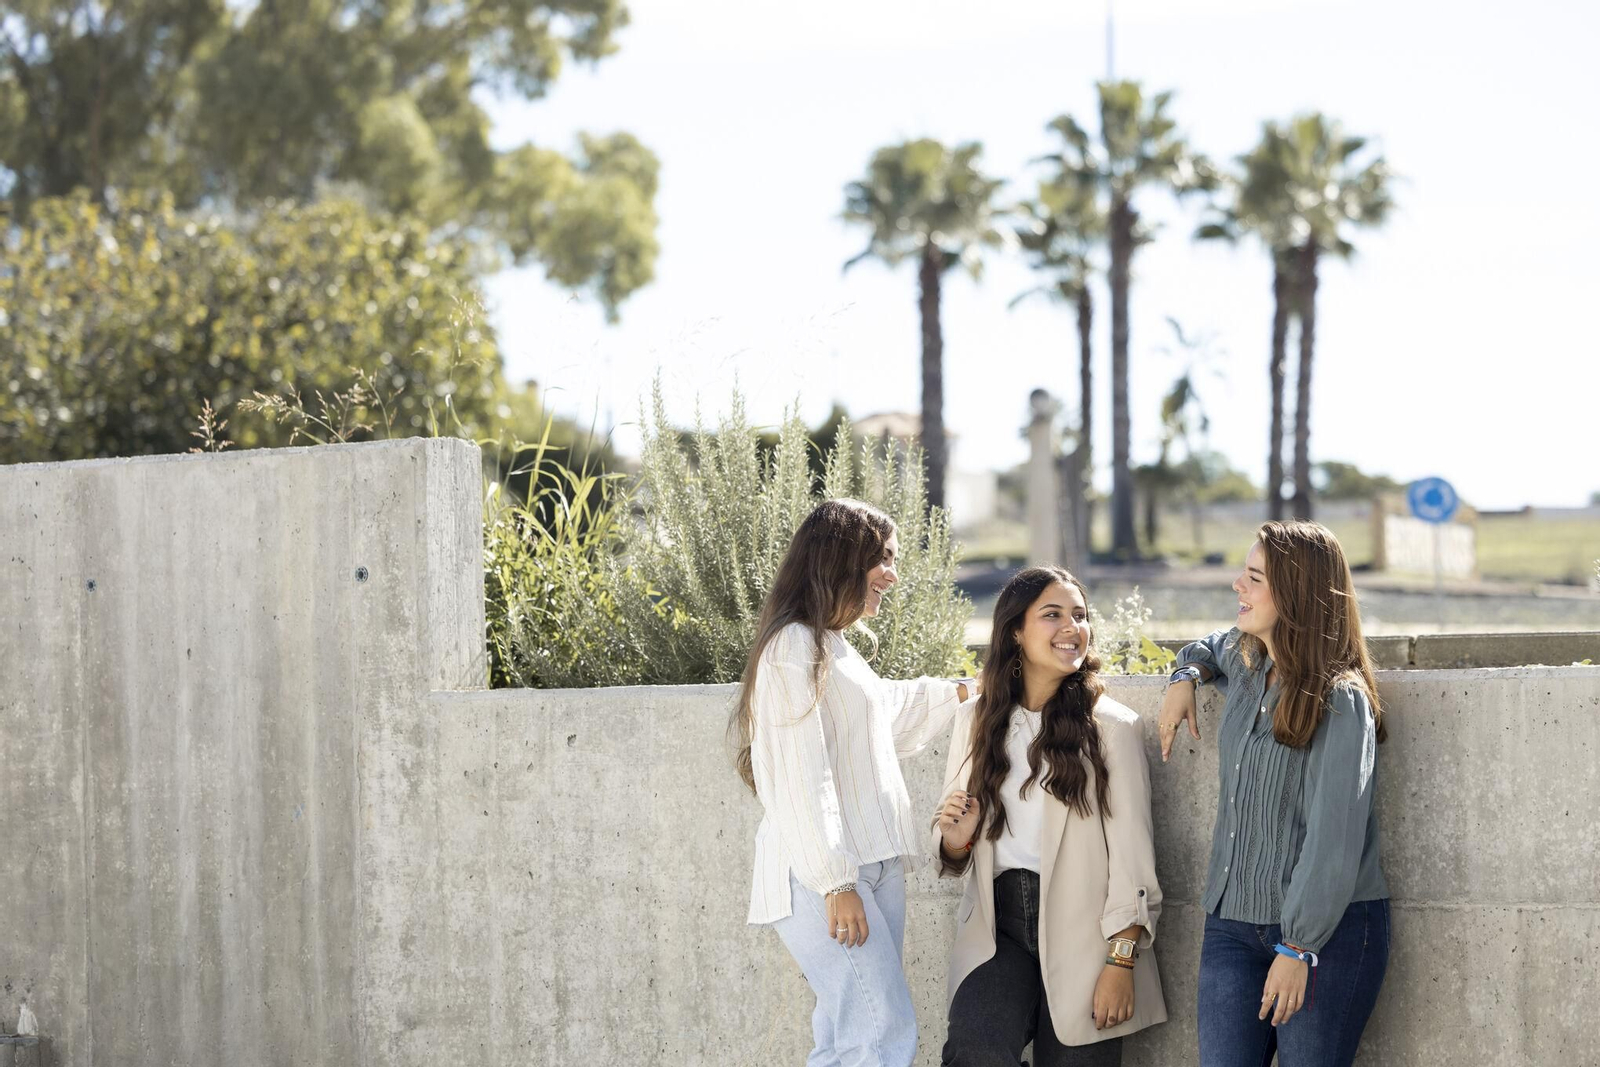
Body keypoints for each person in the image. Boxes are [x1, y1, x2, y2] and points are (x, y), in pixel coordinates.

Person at [734, 498, 976, 1067]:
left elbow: (883, 714)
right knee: (880, 1034)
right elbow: (800, 774)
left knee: (848, 1039)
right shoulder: (793, 646)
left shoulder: (833, 645)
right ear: (842, 556)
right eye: (883, 558)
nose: (893, 574)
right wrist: (835, 880)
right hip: (829, 876)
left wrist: (964, 690)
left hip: (871, 866)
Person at [1158, 520, 1390, 1067]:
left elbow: (1333, 840)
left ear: (1297, 594)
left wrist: (1298, 947)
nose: (1237, 585)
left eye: (1254, 577)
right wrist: (1183, 675)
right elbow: (1208, 645)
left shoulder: (1341, 700)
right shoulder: (1246, 663)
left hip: (1324, 935)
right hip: (1231, 926)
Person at [934, 565, 1165, 1067]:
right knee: (973, 1049)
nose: (1071, 628)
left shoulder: (1111, 729)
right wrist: (957, 840)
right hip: (999, 929)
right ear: (1016, 630)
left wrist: (1120, 961)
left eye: (1080, 616)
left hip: (1090, 934)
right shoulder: (975, 720)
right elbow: (953, 849)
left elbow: (1133, 857)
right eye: (1053, 615)